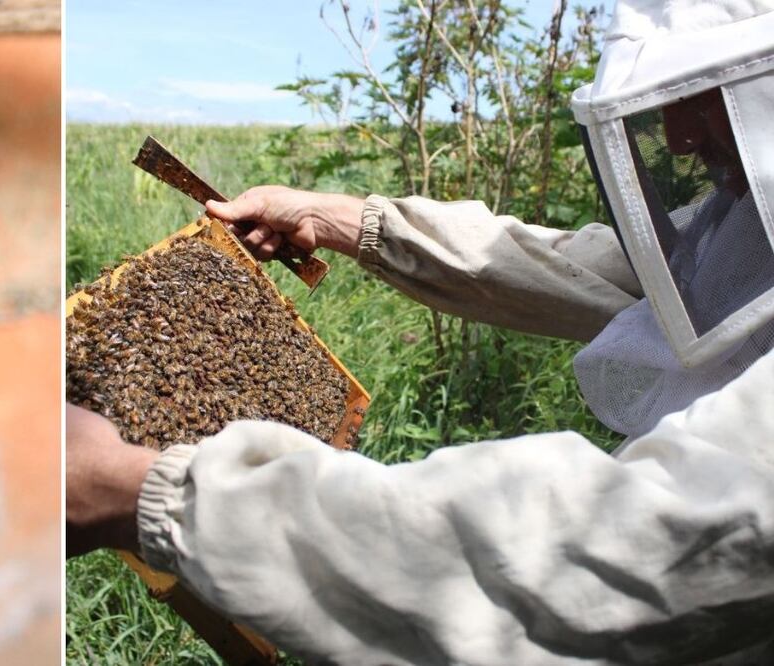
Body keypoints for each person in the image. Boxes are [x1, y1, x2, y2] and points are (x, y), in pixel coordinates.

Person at [67, 1, 774, 663]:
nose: (679, 138)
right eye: (670, 103)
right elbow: (620, 271)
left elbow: (604, 553)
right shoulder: (746, 222)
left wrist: (139, 492)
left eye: (704, 94)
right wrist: (347, 220)